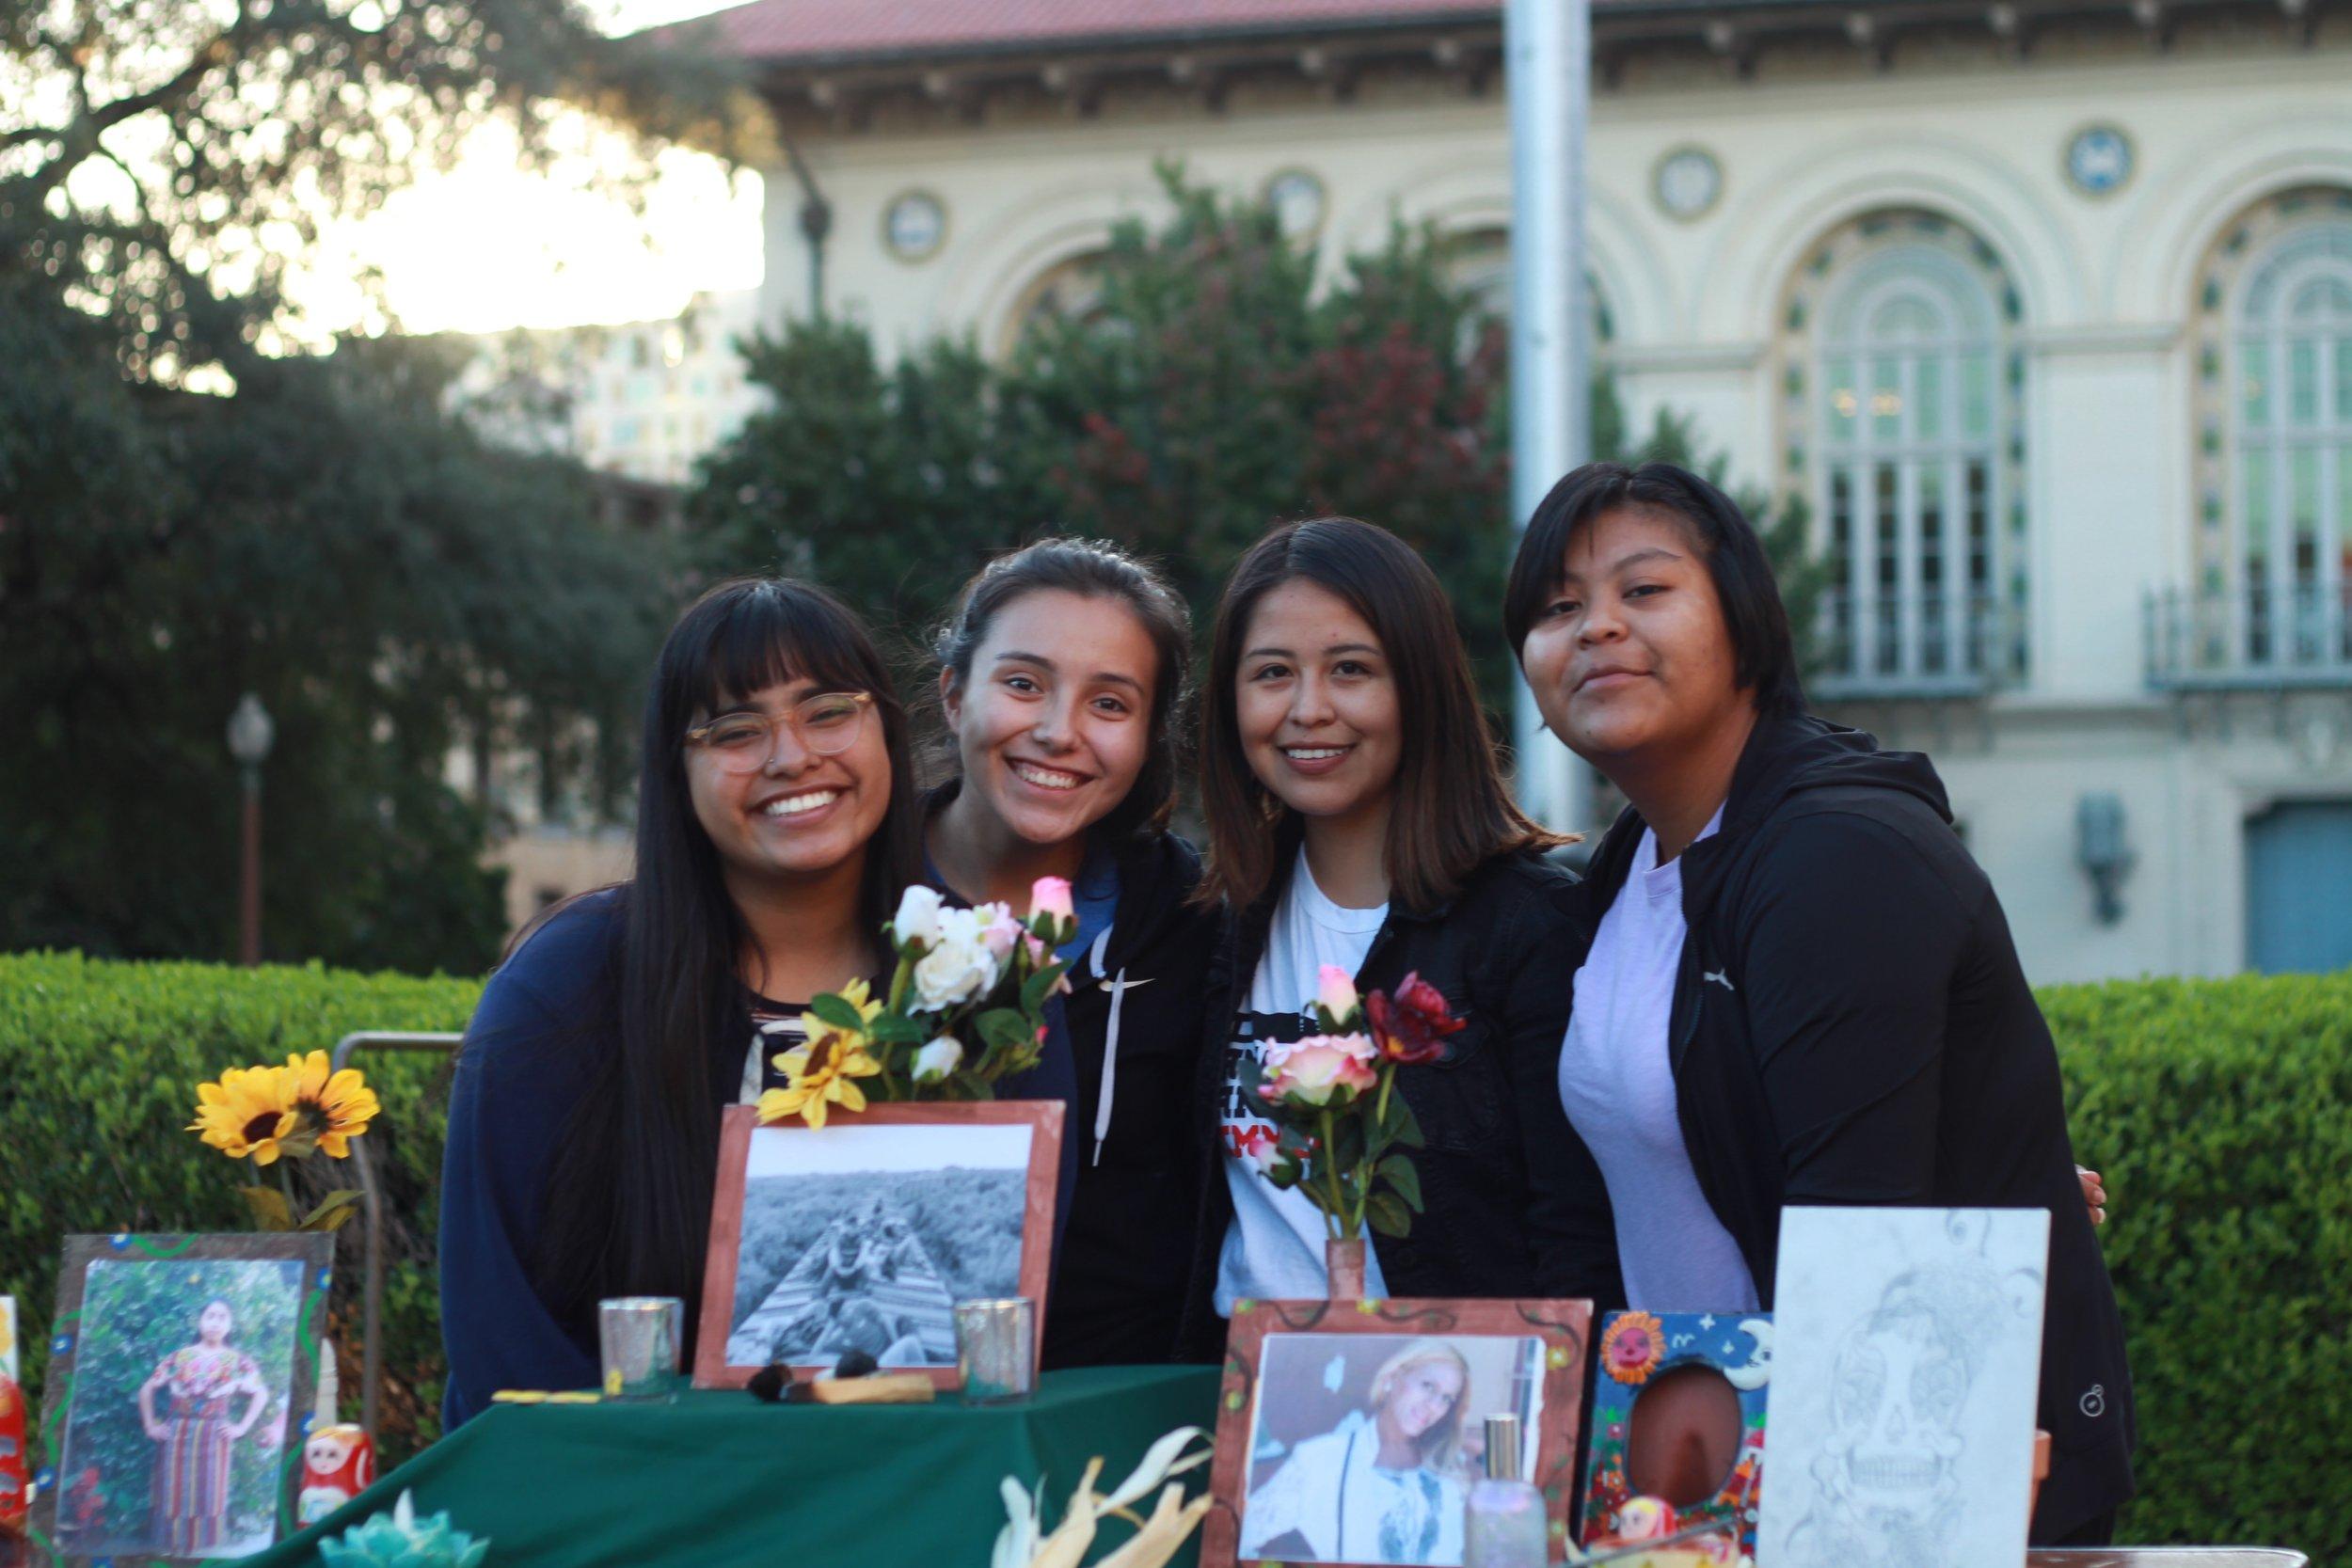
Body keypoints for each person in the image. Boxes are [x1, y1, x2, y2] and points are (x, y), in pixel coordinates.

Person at [1503, 460, 2135, 1544]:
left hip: (1893, 1487)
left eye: (1642, 590)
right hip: (1708, 1477)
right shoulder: (1627, 873)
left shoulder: (1838, 854)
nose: (1596, 627)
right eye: (1559, 607)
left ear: (1745, 624)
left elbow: (1861, 1246)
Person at [437, 578, 925, 1424]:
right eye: (735, 729)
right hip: (622, 1504)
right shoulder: (571, 982)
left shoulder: (970, 973)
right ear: (678, 771)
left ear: (887, 727)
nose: (790, 755)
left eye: (827, 711)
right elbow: (498, 1325)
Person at [1183, 517, 1621, 1353]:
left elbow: (1577, 1235)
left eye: (1351, 670)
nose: (1309, 710)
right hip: (1242, 1416)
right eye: (1272, 673)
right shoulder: (1213, 924)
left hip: (1458, 1407)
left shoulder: (1530, 927)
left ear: (1417, 685)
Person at [924, 539, 1218, 1367]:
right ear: (954, 694)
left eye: (1110, 704)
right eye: (1023, 685)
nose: (1059, 733)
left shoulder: (1197, 924)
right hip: (883, 1416)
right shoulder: (850, 897)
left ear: (1150, 734)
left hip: (1125, 1430)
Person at [1239, 1339, 1473, 1566]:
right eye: (1428, 1386)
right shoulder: (1319, 1459)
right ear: (1393, 1377)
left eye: (1446, 1399)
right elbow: (1237, 1535)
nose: (1433, 1406)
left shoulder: (1448, 1476)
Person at [138, 1298, 269, 1556]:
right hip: (177, 1435)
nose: (215, 1322)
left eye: (222, 1317)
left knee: (209, 1494)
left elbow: (261, 1393)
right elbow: (147, 1389)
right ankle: (173, 1554)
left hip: (215, 1436)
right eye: (210, 1315)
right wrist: (150, 1425)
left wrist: (241, 1427)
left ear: (230, 1325)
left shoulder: (237, 1361)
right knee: (173, 1494)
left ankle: (202, 1557)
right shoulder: (180, 1357)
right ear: (199, 1321)